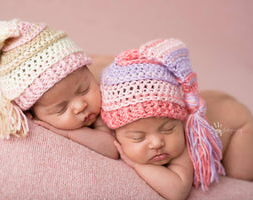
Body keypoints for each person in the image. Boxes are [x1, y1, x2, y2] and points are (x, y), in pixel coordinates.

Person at [100, 38, 253, 199]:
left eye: (168, 129)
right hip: (215, 101)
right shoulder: (111, 127)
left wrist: (136, 164)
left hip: (239, 126)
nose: (157, 143)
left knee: (240, 174)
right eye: (139, 137)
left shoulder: (182, 146)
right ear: (114, 133)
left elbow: (177, 191)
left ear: (180, 121)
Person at [0, 19, 118, 159]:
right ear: (31, 113)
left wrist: (70, 134)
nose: (81, 105)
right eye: (61, 108)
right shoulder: (33, 112)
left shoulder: (104, 101)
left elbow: (112, 149)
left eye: (84, 89)